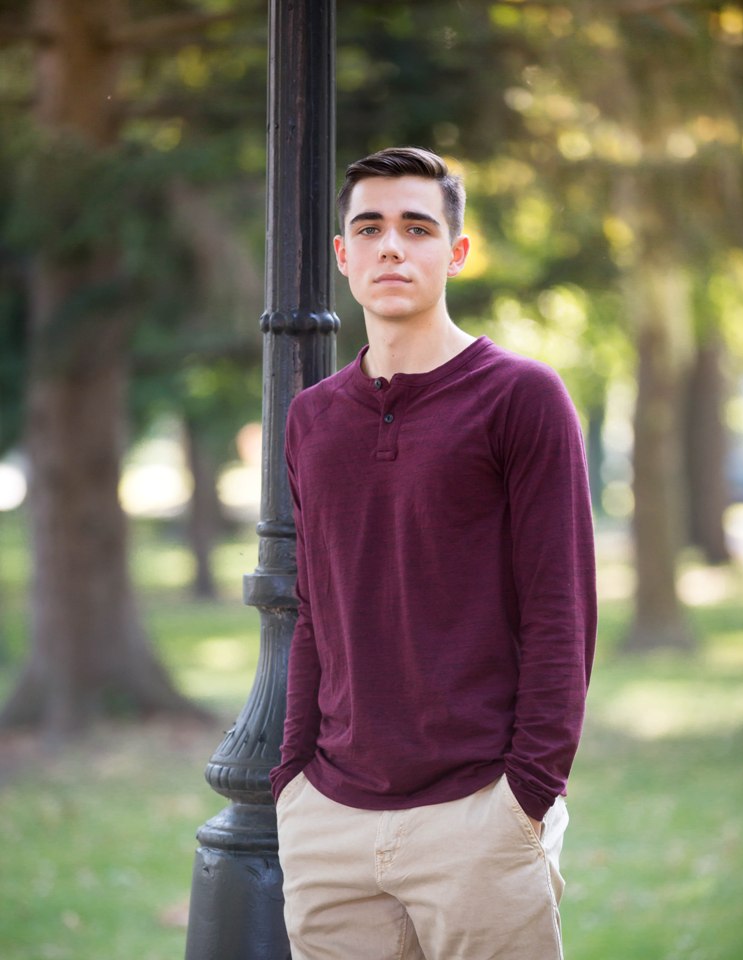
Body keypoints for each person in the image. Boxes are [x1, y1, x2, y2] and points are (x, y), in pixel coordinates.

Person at [270, 146, 597, 960]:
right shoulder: (312, 417)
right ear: (342, 254)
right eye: (370, 228)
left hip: (478, 812)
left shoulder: (522, 397)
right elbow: (314, 610)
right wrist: (292, 781)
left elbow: (561, 611)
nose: (391, 246)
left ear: (456, 252)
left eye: (417, 228)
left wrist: (528, 791)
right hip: (330, 822)